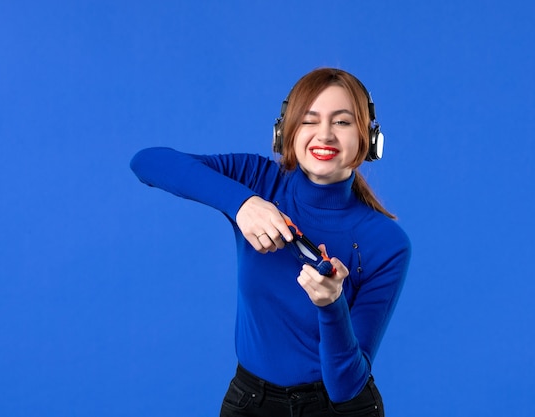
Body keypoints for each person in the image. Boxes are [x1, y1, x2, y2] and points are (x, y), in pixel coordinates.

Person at [130, 67, 411, 417]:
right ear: (285, 133)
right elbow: (146, 162)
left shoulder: (387, 242)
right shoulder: (257, 180)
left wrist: (331, 305)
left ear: (368, 138)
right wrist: (242, 203)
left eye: (342, 122)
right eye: (309, 120)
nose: (324, 135)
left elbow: (345, 386)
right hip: (251, 402)